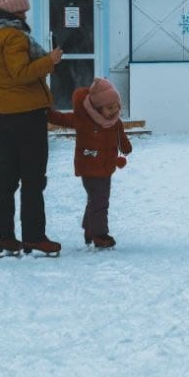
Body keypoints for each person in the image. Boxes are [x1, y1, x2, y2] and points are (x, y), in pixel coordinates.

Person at [0, 0, 64, 257]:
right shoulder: (13, 37)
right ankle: (34, 237)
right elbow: (21, 73)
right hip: (28, 116)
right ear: (11, 14)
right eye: (22, 13)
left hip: (5, 114)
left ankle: (3, 237)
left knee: (7, 176)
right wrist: (49, 60)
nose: (25, 18)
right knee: (33, 178)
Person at [47, 77, 133, 249]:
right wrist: (47, 114)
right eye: (109, 108)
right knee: (100, 201)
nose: (114, 111)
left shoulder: (116, 123)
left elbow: (121, 138)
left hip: (107, 167)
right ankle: (100, 234)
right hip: (88, 166)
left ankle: (90, 227)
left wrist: (125, 148)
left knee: (96, 199)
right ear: (97, 107)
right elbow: (63, 119)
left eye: (116, 106)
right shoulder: (84, 120)